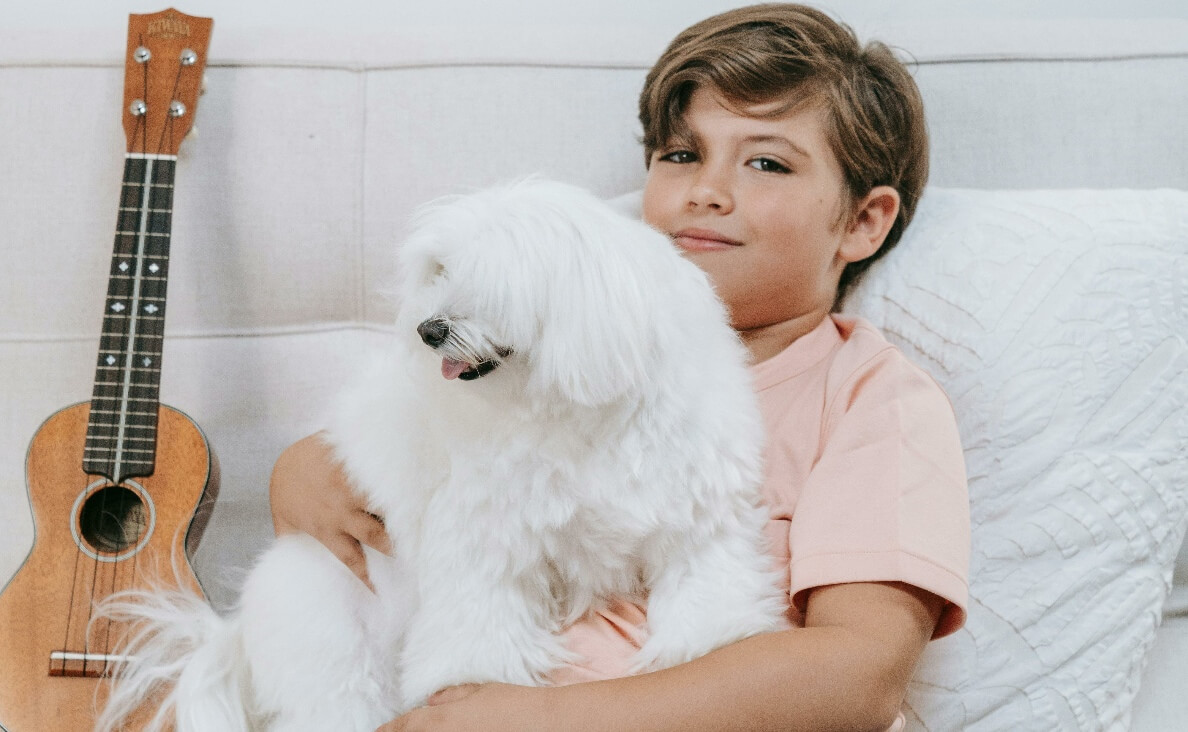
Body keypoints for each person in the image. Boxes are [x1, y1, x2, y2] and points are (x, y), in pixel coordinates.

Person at [269, 4, 970, 730]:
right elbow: (397, 435)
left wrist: (535, 719)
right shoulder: (534, 350)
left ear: (862, 221)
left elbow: (858, 674)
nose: (706, 190)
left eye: (766, 161)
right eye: (680, 154)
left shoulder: (871, 399)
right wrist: (301, 472)